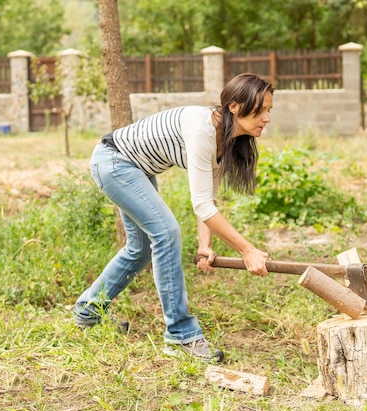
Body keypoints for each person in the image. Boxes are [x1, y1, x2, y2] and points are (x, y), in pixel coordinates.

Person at [73, 73, 273, 362]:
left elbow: (208, 199)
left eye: (269, 110)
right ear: (234, 106)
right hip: (114, 161)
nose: (266, 118)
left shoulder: (223, 138)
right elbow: (203, 206)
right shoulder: (202, 129)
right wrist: (247, 250)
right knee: (166, 233)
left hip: (134, 168)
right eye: (260, 110)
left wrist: (205, 245)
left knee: (140, 248)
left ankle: (88, 311)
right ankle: (180, 336)